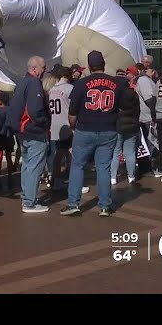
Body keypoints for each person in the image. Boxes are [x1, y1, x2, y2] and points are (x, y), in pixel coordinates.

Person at [60, 50, 126, 217]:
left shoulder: (82, 84)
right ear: (103, 64)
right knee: (103, 168)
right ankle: (104, 206)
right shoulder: (116, 83)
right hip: (108, 129)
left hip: (85, 128)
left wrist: (74, 127)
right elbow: (123, 107)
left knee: (77, 166)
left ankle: (73, 203)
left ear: (89, 66)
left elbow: (72, 112)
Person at [9, 56, 50, 213]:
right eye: (43, 67)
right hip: (33, 130)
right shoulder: (33, 83)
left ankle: (27, 196)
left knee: (27, 165)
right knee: (33, 166)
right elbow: (34, 110)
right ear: (35, 68)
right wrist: (44, 122)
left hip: (23, 131)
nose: (44, 70)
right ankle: (29, 202)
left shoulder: (23, 82)